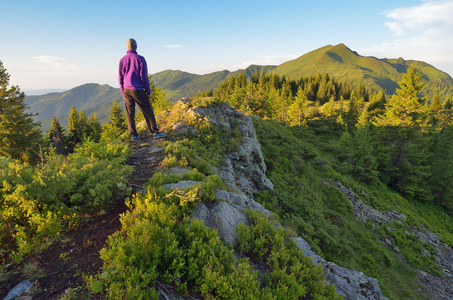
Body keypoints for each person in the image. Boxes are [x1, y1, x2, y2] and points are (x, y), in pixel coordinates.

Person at [118, 38, 166, 140]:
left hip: (126, 89)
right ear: (136, 46)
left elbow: (120, 77)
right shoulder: (140, 59)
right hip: (138, 89)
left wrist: (122, 91)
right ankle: (155, 132)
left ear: (127, 47)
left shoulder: (122, 60)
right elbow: (144, 76)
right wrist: (148, 91)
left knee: (129, 112)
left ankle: (134, 135)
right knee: (147, 109)